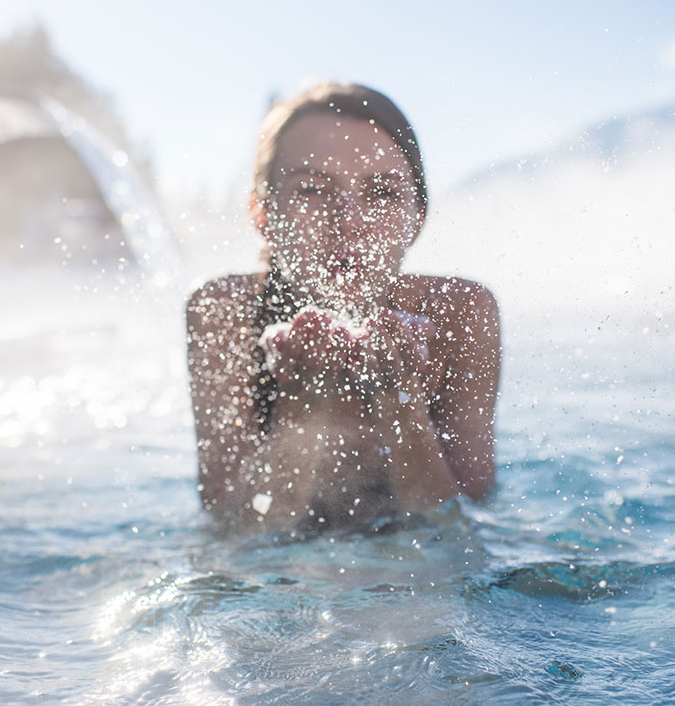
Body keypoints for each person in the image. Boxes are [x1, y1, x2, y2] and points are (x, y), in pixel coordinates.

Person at [186, 82, 500, 531]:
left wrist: (399, 398)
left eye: (382, 193)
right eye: (312, 189)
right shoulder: (227, 312)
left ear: (417, 217)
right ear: (263, 215)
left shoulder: (457, 313)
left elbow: (462, 525)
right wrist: (303, 401)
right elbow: (238, 534)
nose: (348, 219)